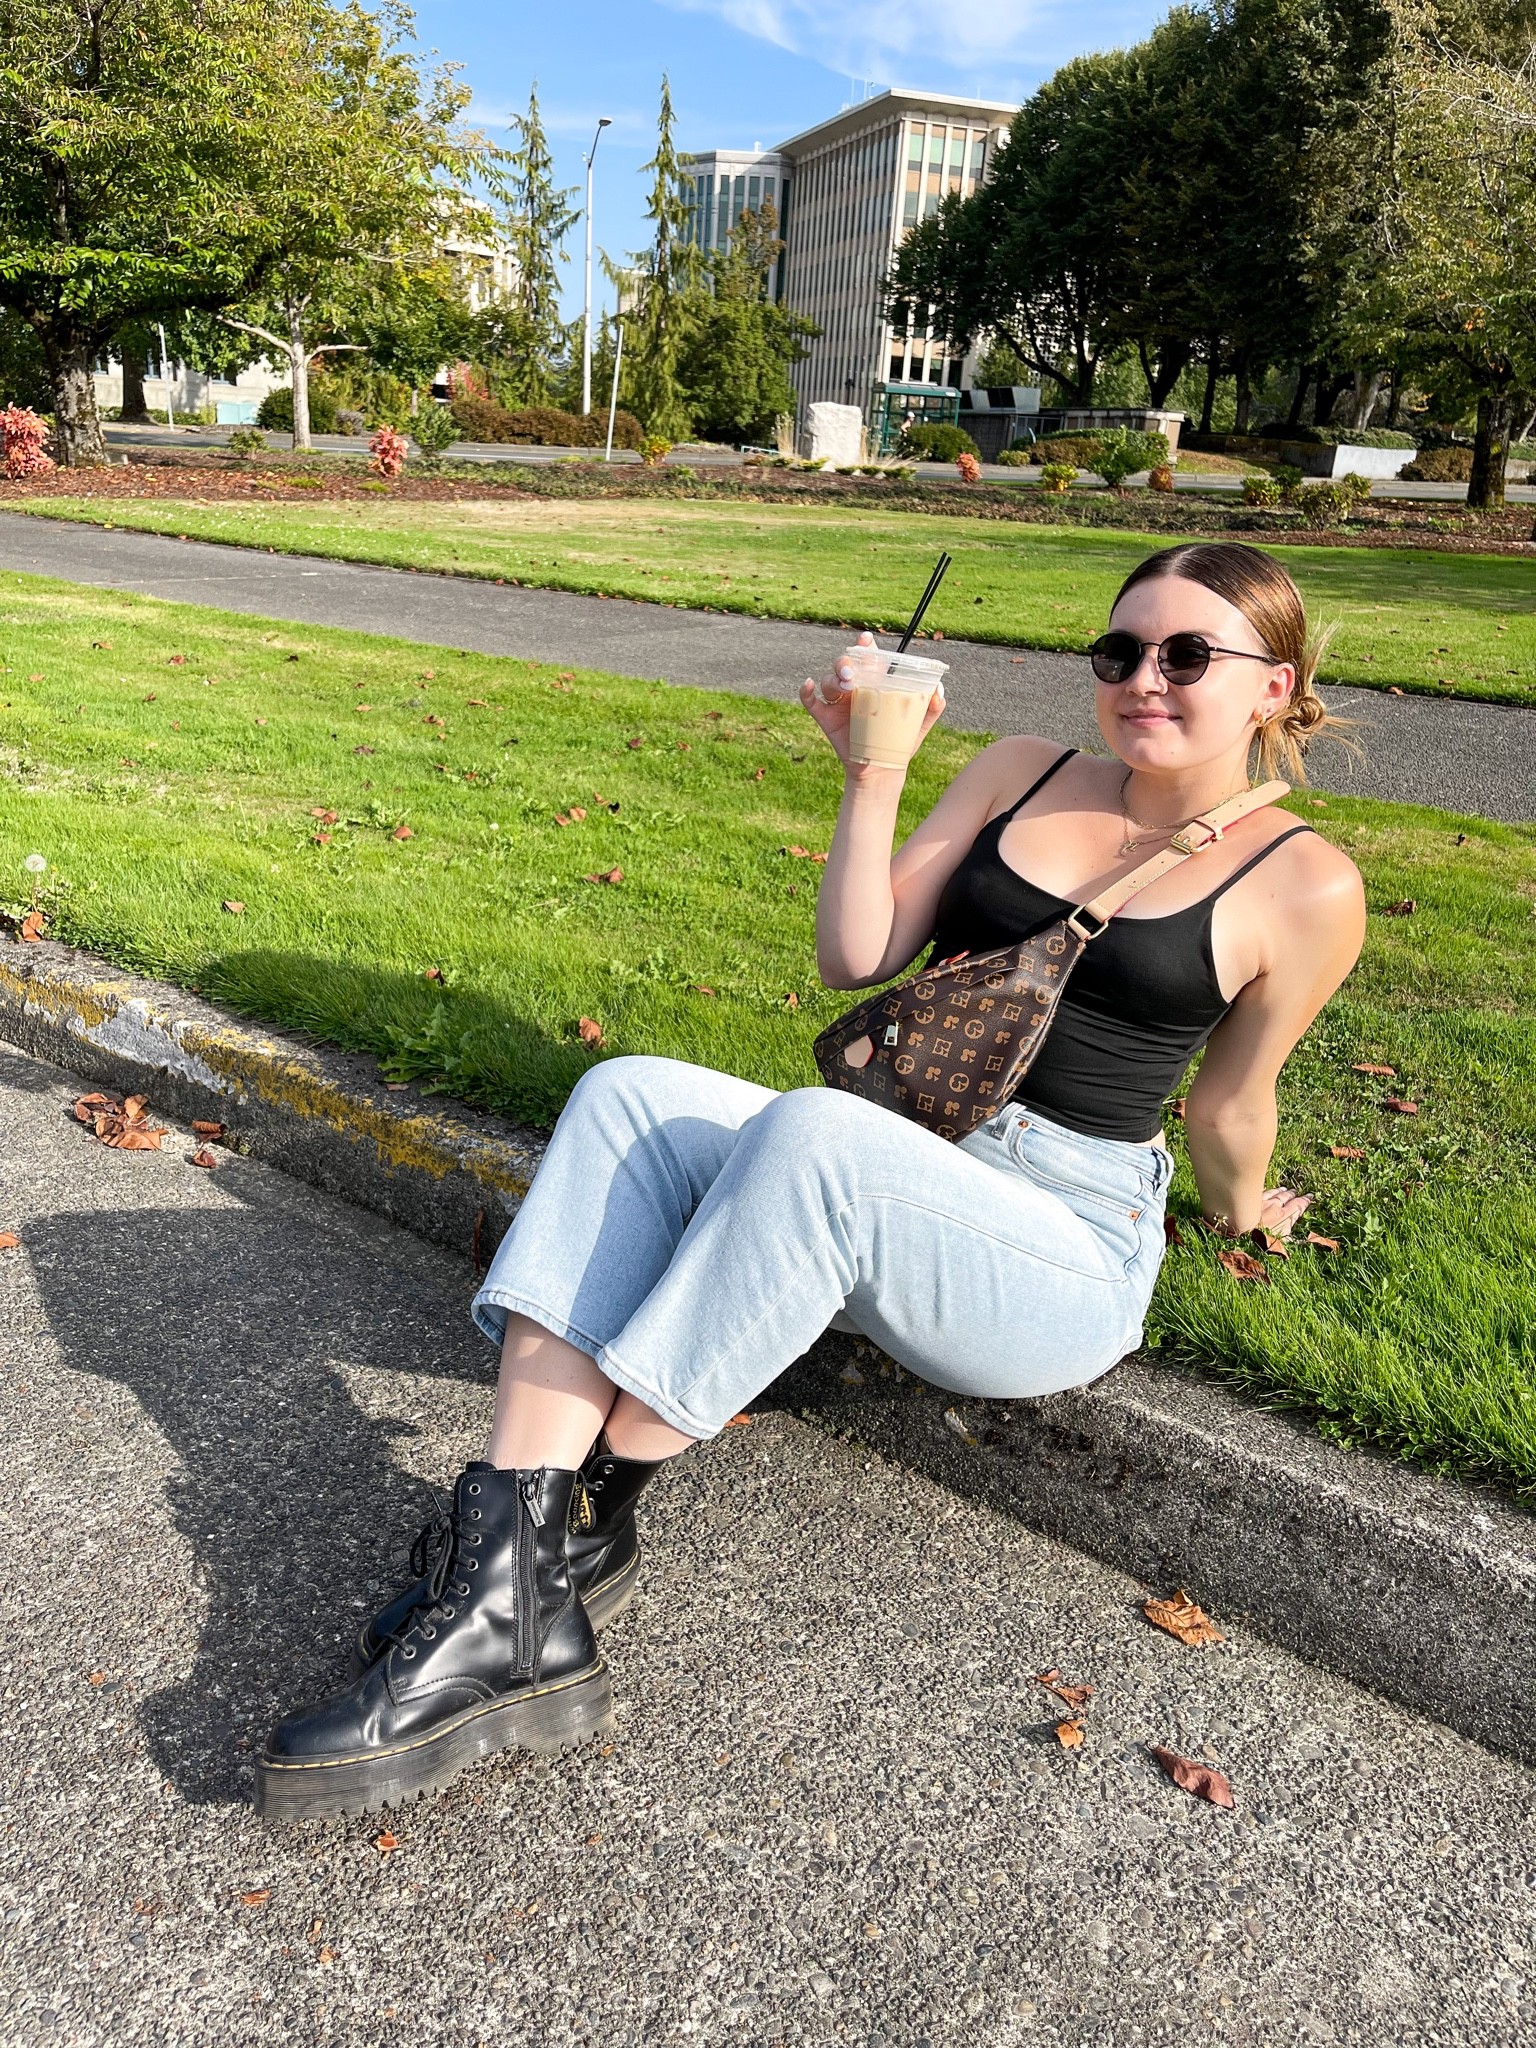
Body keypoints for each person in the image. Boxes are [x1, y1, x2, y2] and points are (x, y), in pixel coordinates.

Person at [257, 540, 1367, 1819]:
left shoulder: (1305, 879)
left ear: (1273, 686)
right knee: (631, 1093)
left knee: (818, 1134)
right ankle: (531, 1566)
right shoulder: (1024, 770)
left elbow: (1230, 1102)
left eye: (1187, 654)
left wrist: (1242, 1211)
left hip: (1059, 1237)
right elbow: (858, 953)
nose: (1143, 678)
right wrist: (871, 771)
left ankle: (555, 1544)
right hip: (894, 1158)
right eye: (1120, 650)